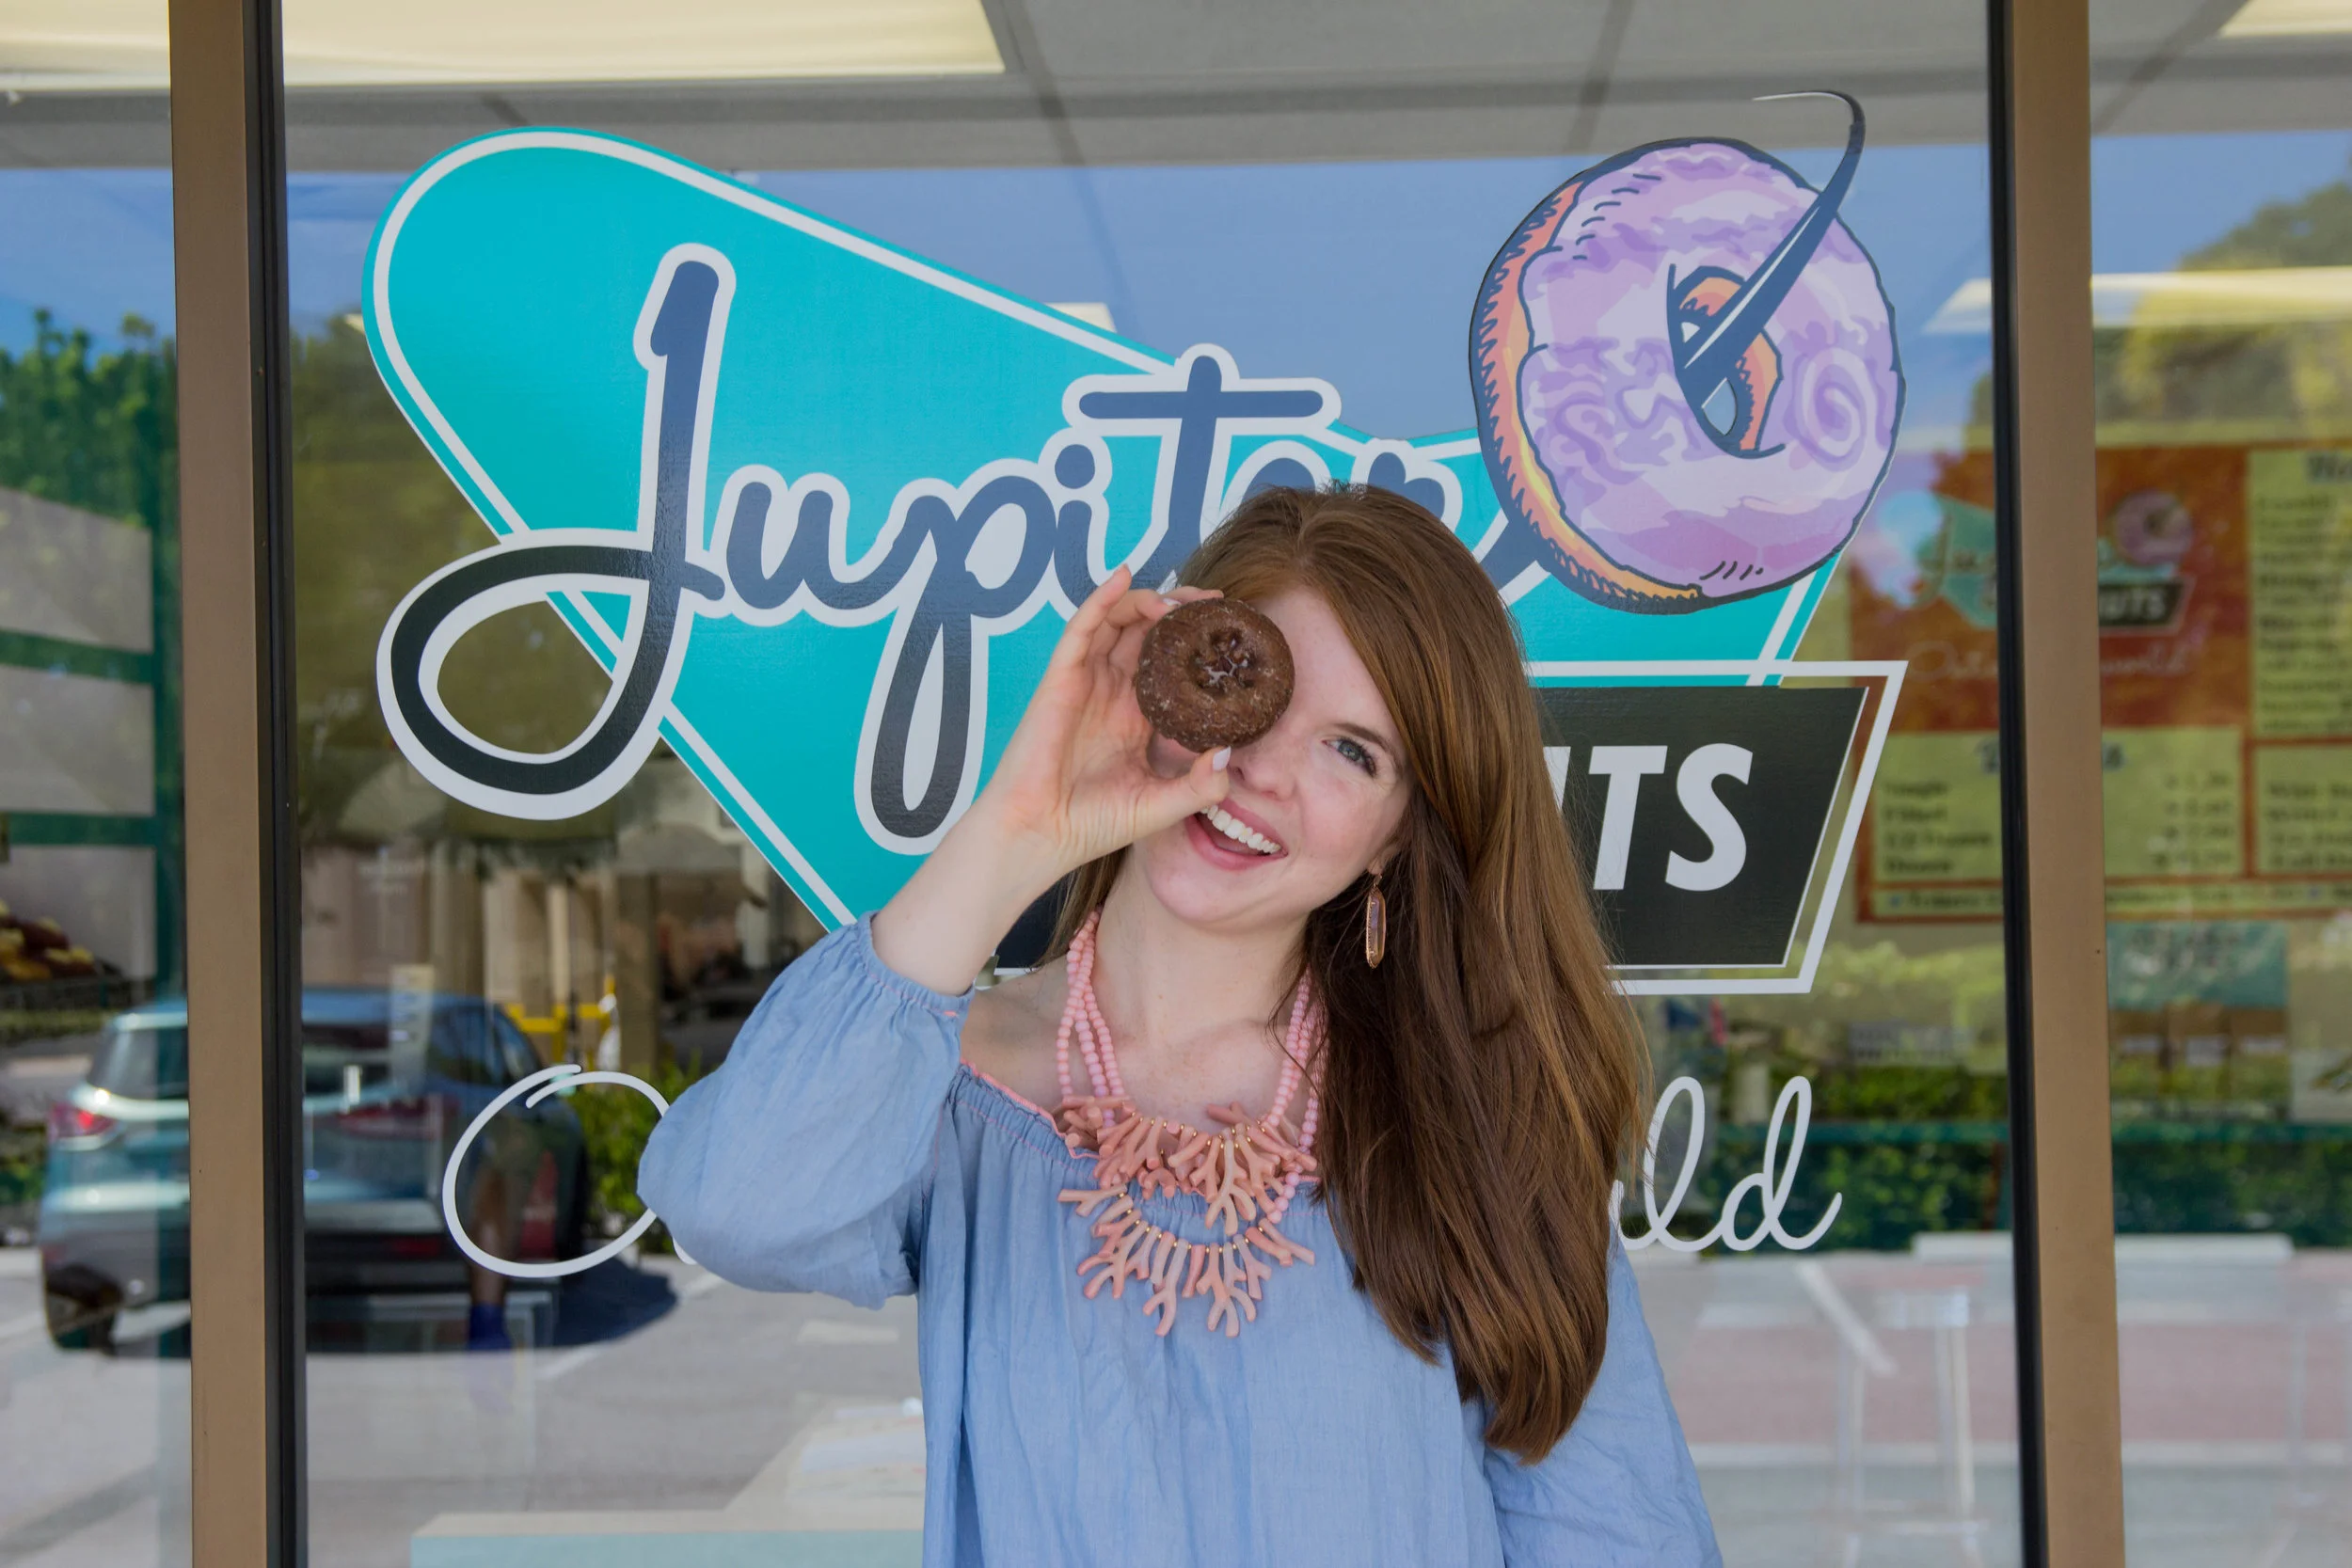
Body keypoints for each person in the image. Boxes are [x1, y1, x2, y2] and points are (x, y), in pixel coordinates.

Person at [640, 485, 1719, 1565]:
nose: (1260, 771)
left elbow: (1612, 1529)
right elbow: (734, 1206)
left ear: (1395, 836)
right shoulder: (948, 1093)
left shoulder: (1475, 1120)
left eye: (1354, 751)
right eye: (1240, 685)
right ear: (1152, 689)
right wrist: (1020, 827)